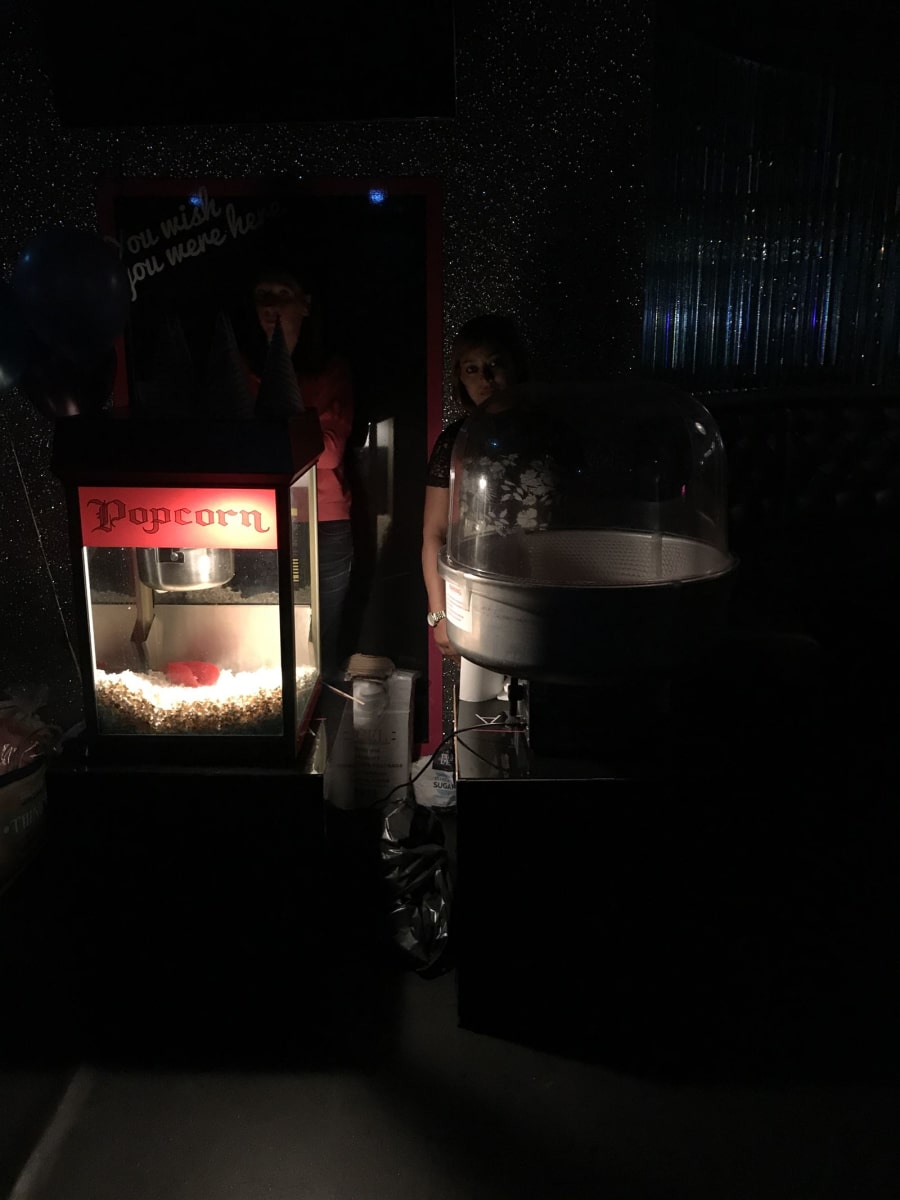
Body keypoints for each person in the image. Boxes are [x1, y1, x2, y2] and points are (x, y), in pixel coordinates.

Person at [242, 258, 355, 682]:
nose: (271, 305)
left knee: (321, 644)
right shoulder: (242, 370)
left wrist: (266, 436)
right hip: (258, 522)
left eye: (282, 294)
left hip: (323, 523)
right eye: (263, 296)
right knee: (263, 640)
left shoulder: (329, 370)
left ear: (305, 304)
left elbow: (329, 453)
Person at [422, 313, 531, 660]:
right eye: (472, 368)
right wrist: (439, 614)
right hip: (474, 596)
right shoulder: (455, 442)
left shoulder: (547, 432)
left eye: (494, 364)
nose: (485, 378)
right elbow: (434, 533)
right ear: (460, 377)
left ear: (514, 364)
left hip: (540, 591)